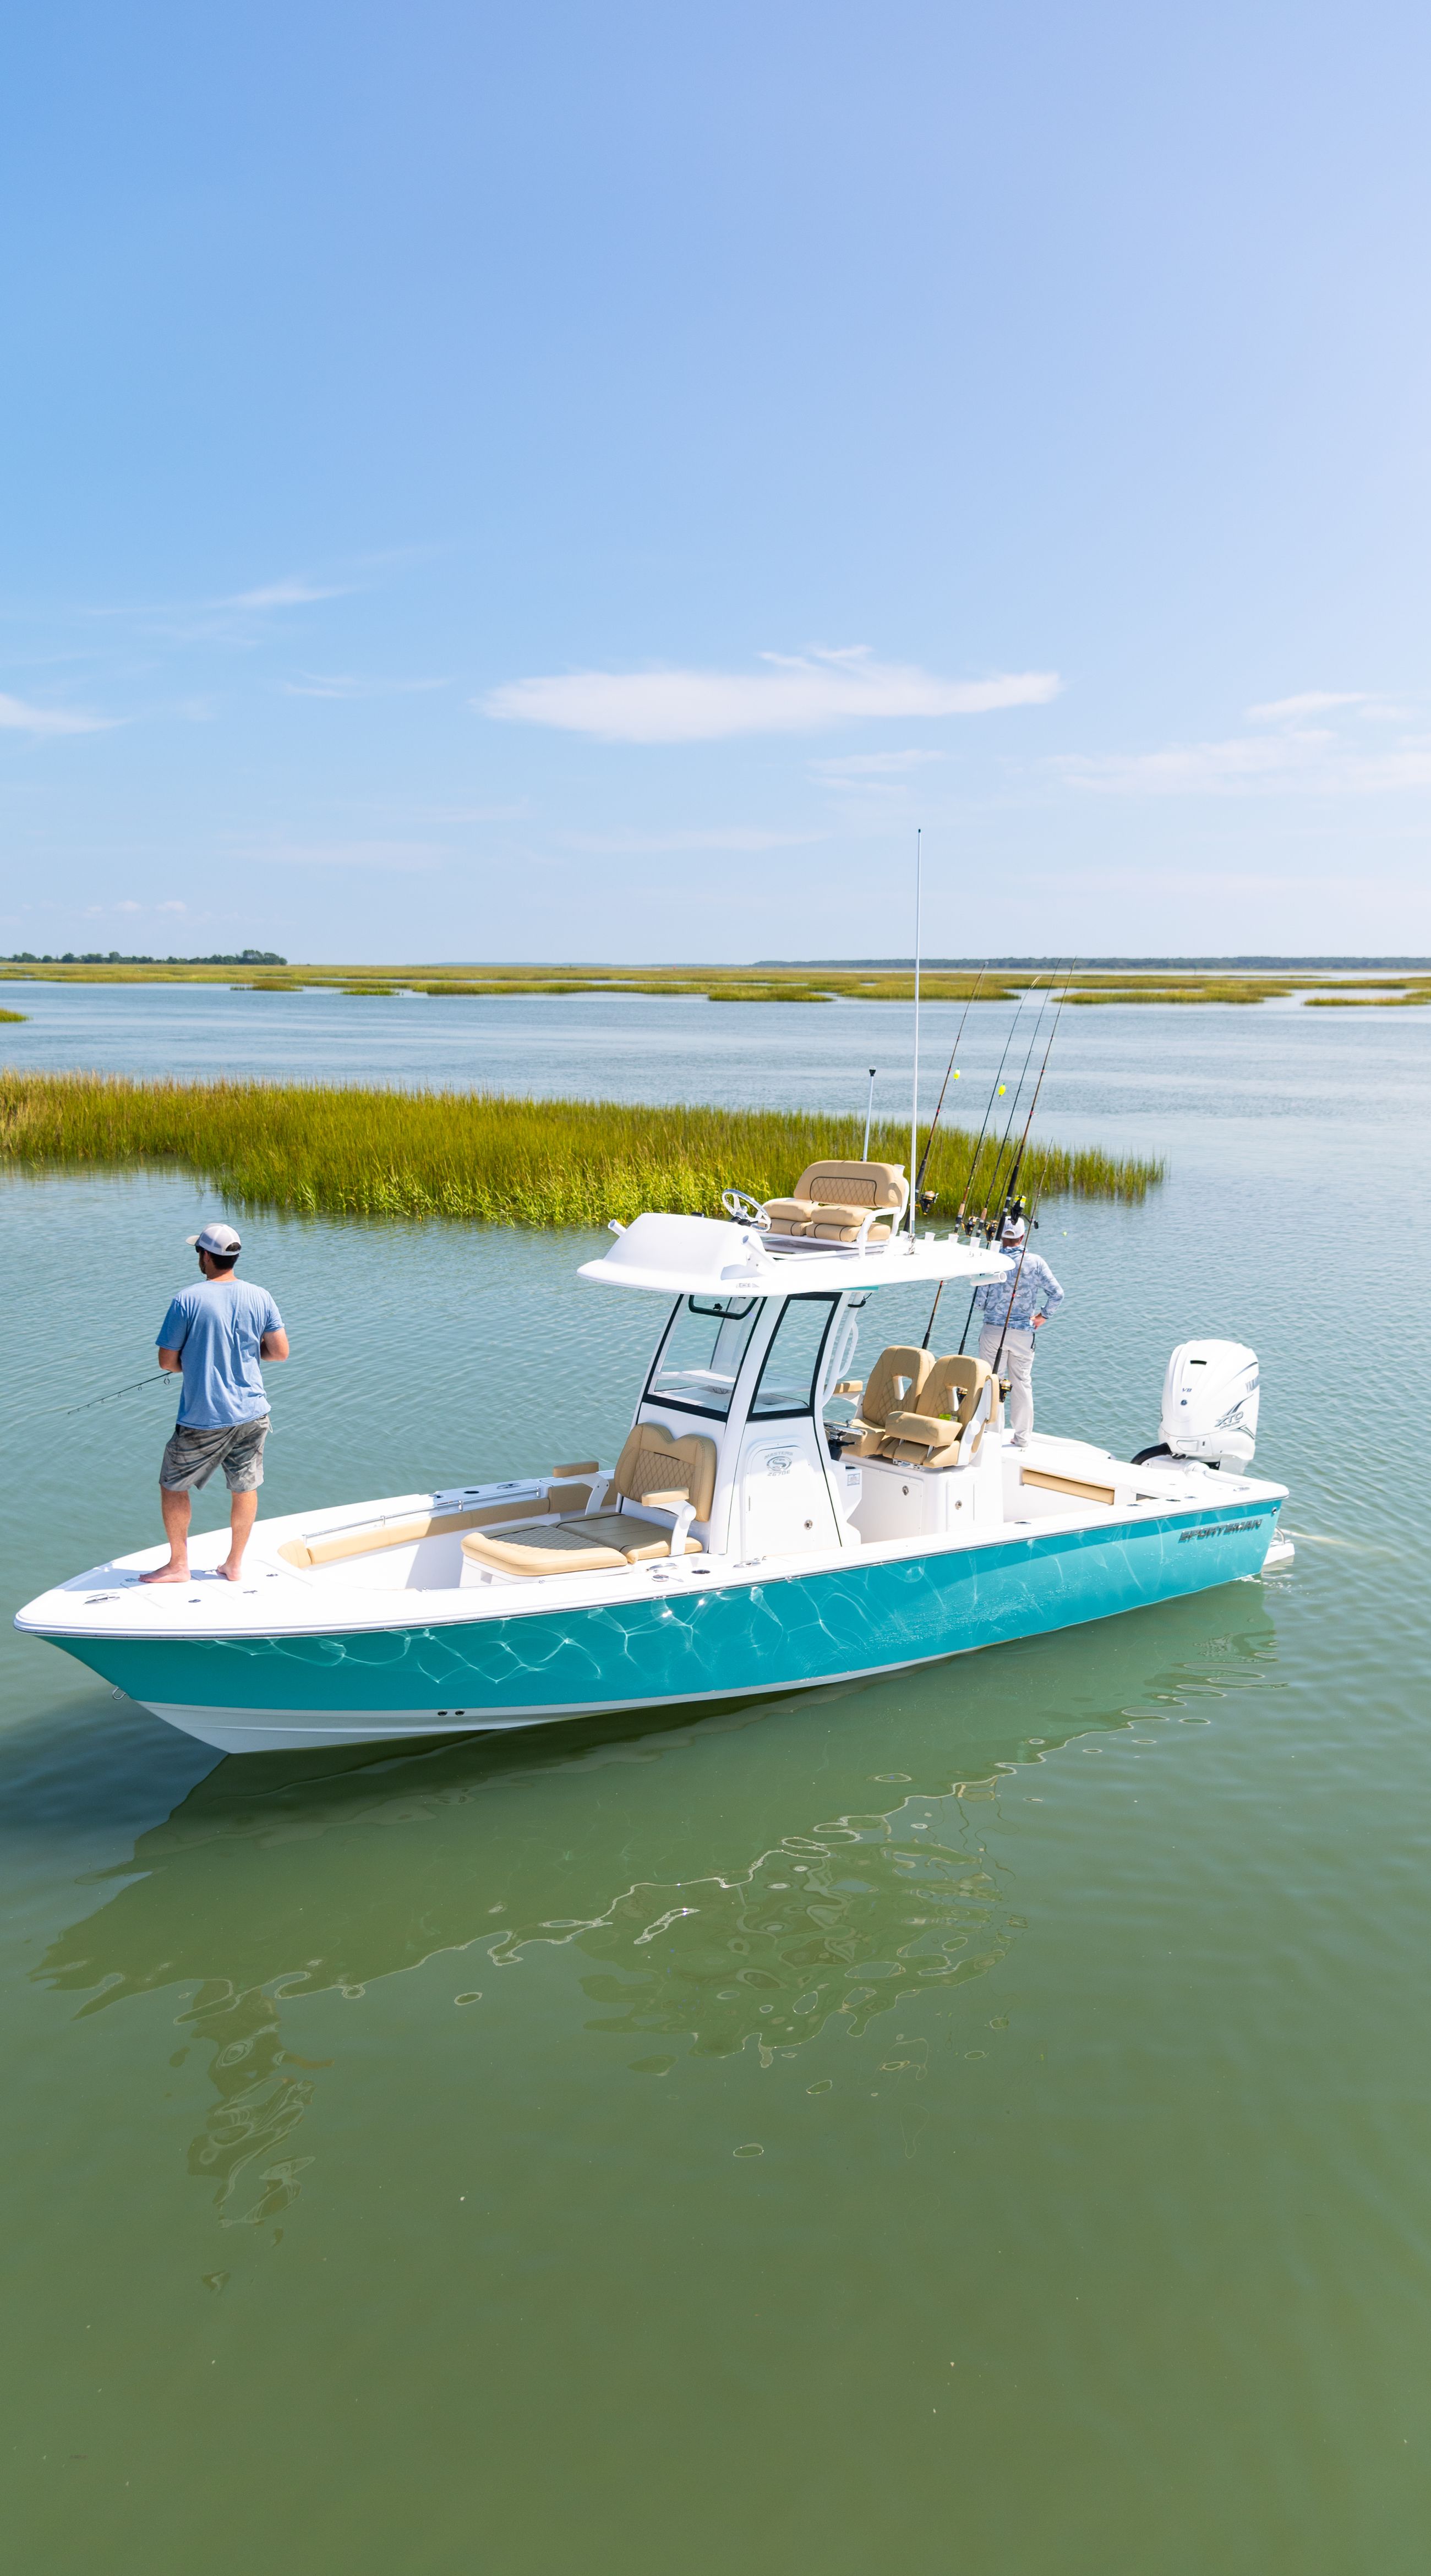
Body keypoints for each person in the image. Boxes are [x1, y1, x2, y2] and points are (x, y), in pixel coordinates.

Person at [141, 1222, 290, 1585]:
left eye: (198, 1253)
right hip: (254, 1412)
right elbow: (279, 1353)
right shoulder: (261, 1296)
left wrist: (194, 1362)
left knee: (173, 1484)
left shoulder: (187, 1299)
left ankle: (179, 1565)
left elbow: (166, 1361)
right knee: (245, 1485)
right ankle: (234, 1564)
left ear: (207, 1256)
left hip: (205, 1417)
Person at [972, 1213, 1063, 1444]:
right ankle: (1022, 1438)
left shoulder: (990, 1260)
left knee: (993, 1381)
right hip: (1024, 1331)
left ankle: (993, 1436)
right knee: (1022, 1383)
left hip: (993, 1330)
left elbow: (979, 1303)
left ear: (1001, 1237)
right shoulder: (1036, 1262)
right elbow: (1057, 1294)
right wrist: (1043, 1316)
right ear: (1022, 1237)